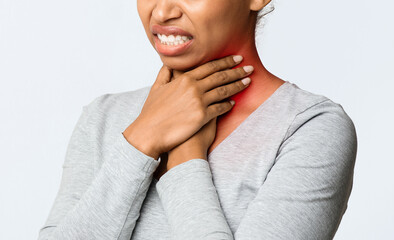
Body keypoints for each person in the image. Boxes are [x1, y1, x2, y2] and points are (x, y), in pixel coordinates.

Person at [38, 0, 358, 239]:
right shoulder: (103, 116)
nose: (161, 12)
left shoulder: (309, 129)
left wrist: (184, 162)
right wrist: (142, 139)